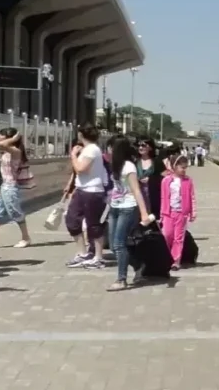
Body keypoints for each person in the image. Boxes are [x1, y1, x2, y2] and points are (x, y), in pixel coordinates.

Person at [105, 135, 152, 291]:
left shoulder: (129, 167)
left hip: (128, 208)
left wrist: (144, 214)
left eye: (110, 147)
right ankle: (139, 265)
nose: (108, 150)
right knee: (113, 246)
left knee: (119, 244)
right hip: (114, 207)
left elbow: (136, 190)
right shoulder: (115, 164)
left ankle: (121, 279)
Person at [64, 124, 109, 269]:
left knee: (93, 224)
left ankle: (98, 257)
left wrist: (73, 155)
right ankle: (83, 253)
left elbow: (80, 169)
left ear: (81, 134)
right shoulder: (86, 149)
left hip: (93, 191)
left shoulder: (92, 149)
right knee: (72, 220)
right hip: (81, 189)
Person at [0, 127, 32, 249]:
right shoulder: (6, 152)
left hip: (10, 186)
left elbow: (1, 144)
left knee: (15, 212)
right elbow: (1, 144)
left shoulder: (16, 151)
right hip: (1, 185)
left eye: (2, 135)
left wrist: (14, 138)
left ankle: (26, 238)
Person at [160, 154, 196, 270]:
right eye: (182, 167)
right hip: (168, 213)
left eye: (186, 167)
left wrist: (193, 212)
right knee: (167, 235)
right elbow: (163, 198)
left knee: (178, 238)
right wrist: (162, 214)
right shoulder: (166, 181)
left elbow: (192, 197)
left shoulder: (188, 181)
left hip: (182, 213)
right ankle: (167, 257)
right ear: (174, 166)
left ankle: (176, 261)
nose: (184, 170)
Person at [136, 136, 165, 215]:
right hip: (137, 196)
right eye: (139, 145)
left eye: (143, 145)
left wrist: (151, 179)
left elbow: (165, 178)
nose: (140, 148)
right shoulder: (135, 162)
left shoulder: (157, 162)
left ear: (150, 148)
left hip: (153, 196)